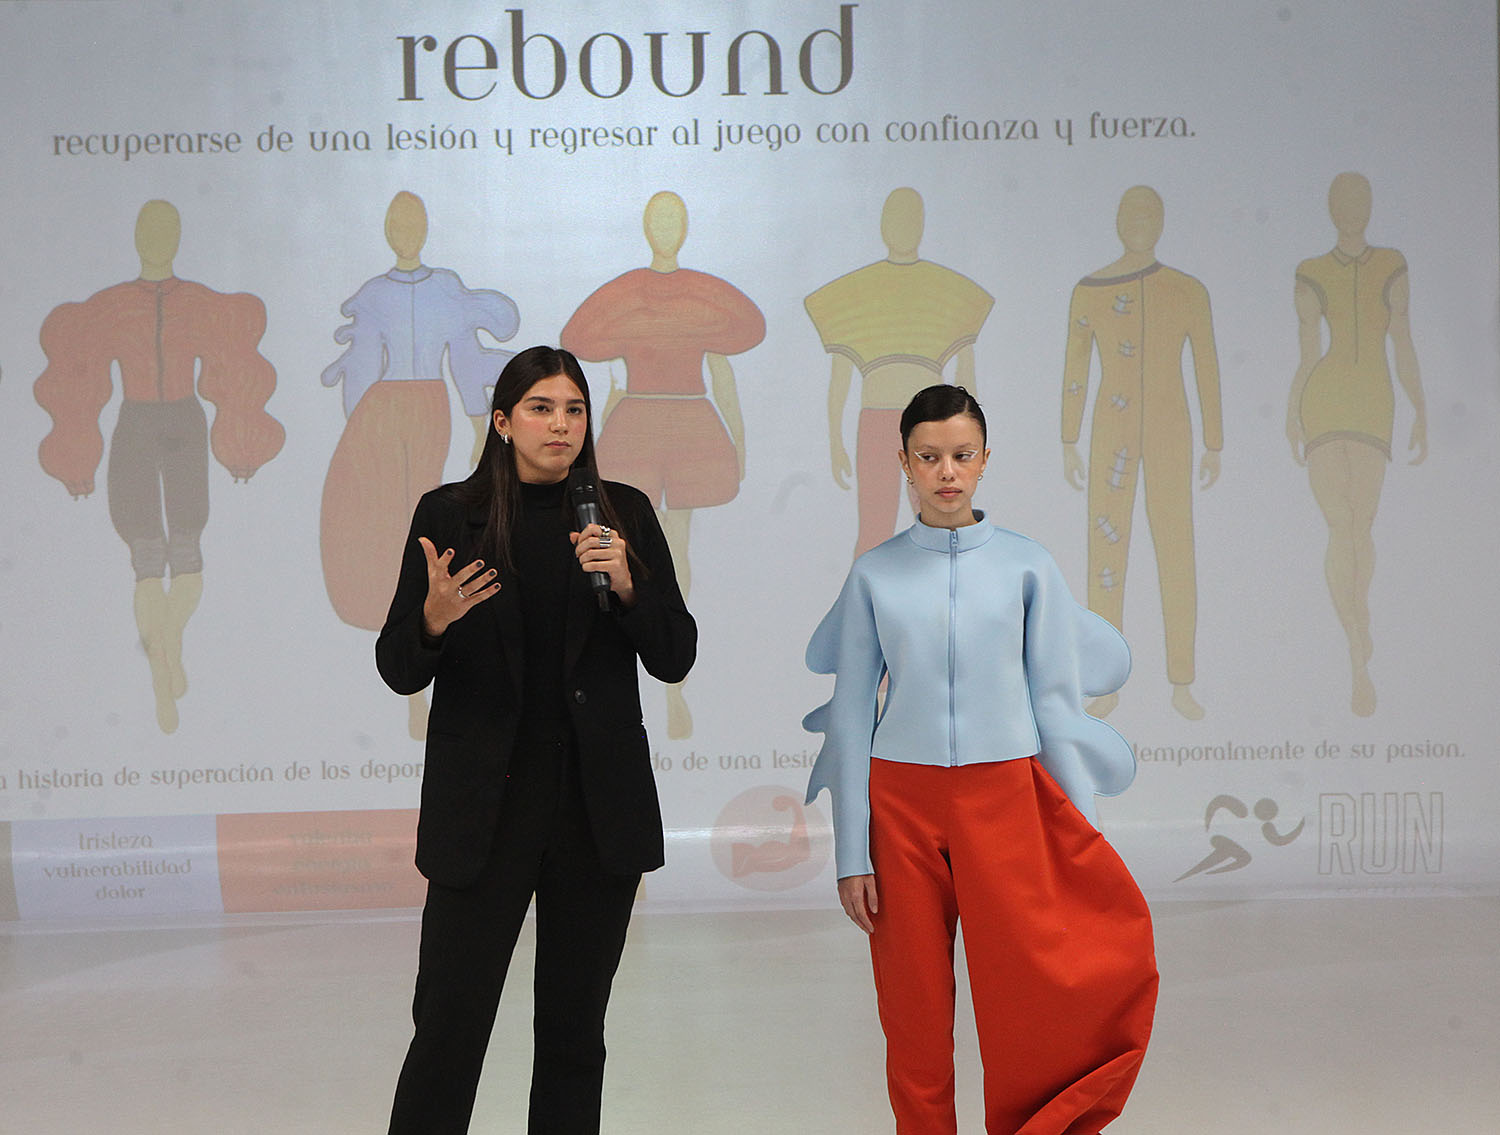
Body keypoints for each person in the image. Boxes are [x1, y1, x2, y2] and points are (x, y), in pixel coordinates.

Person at [804, 385, 1158, 1135]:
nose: (947, 472)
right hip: (899, 809)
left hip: (1008, 801)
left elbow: (1056, 707)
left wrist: (1080, 834)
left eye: (962, 455)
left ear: (985, 458)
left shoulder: (1028, 567)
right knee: (912, 1012)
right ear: (904, 462)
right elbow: (851, 714)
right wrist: (850, 853)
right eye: (929, 457)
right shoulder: (875, 574)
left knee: (1025, 1004)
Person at [377, 346, 696, 1134]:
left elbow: (675, 653)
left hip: (593, 813)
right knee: (449, 1028)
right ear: (502, 421)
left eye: (574, 409)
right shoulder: (449, 515)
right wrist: (432, 620)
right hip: (484, 813)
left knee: (573, 1034)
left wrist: (630, 585)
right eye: (541, 408)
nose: (561, 425)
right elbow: (397, 665)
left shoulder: (622, 515)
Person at [34, 198, 283, 734]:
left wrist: (242, 449)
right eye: (150, 230)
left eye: (165, 230)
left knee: (185, 550)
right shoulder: (114, 306)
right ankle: (163, 664)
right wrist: (76, 462)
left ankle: (164, 647)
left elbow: (235, 365)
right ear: (138, 239)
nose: (157, 240)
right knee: (149, 553)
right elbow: (78, 376)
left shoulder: (194, 303)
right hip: (138, 427)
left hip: (182, 427)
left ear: (175, 238)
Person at [1061, 185, 1222, 721]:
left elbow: (1205, 364)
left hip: (1172, 427)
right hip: (1112, 428)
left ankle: (1182, 679)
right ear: (1116, 220)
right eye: (1131, 214)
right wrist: (1068, 438)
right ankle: (1106, 683)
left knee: (1176, 548)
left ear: (1162, 221)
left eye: (1150, 214)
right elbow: (1076, 368)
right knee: (1106, 552)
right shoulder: (1090, 289)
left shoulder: (1187, 290)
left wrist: (1214, 440)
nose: (1140, 223)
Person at [1286, 171, 1426, 717]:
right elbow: (1307, 353)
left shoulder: (1392, 264)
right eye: (1343, 200)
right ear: (1330, 207)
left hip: (1372, 403)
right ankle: (1354, 648)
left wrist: (1420, 407)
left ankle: (1357, 620)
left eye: (1360, 198)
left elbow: (1403, 341)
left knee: (1359, 525)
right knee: (1339, 526)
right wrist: (1293, 413)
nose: (1352, 207)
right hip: (1324, 404)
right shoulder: (1311, 271)